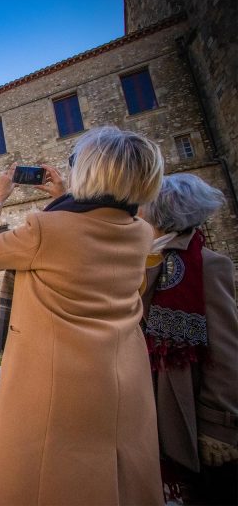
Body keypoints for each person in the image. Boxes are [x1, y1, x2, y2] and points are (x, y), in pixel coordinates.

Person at [0, 126, 164, 505]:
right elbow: (91, 225)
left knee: (50, 486)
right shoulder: (140, 231)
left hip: (59, 388)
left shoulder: (45, 229)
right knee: (109, 483)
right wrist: (63, 197)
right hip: (122, 382)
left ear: (88, 172)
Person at [139, 173, 238, 505]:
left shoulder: (207, 265)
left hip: (181, 396)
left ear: (160, 211)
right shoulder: (143, 259)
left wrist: (218, 426)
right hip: (144, 396)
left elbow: (226, 351)